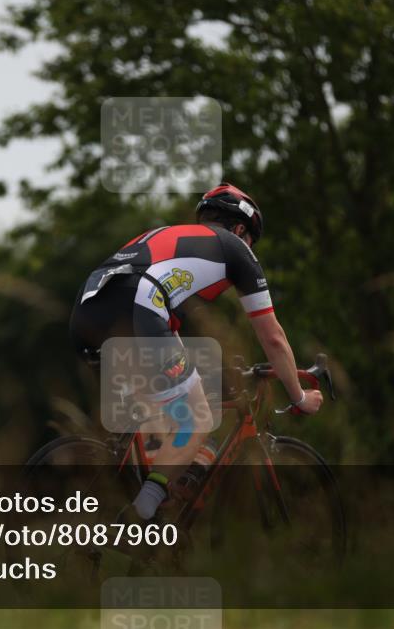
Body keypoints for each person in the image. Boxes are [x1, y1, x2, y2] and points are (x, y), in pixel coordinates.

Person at [69, 183, 324, 520]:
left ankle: (151, 505)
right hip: (140, 307)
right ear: (239, 229)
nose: (250, 249)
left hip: (87, 311)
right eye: (251, 240)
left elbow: (168, 340)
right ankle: (139, 517)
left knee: (170, 418)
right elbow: (273, 337)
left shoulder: (165, 238)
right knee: (198, 418)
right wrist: (299, 397)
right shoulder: (235, 248)